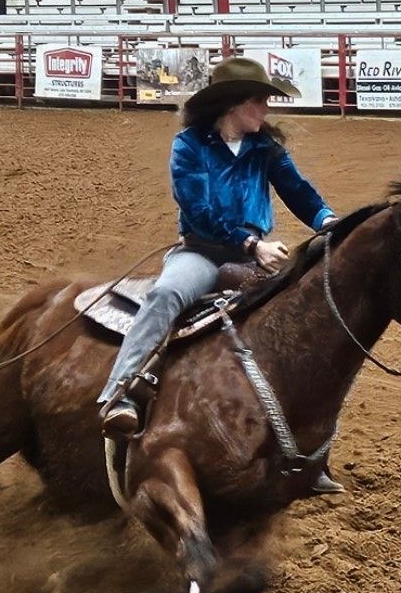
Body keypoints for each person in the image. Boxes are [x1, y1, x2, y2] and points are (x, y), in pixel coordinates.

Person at [98, 57, 344, 491]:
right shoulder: (190, 146)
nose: (267, 109)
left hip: (253, 256)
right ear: (234, 105)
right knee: (168, 295)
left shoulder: (265, 148)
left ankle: (307, 449)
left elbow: (298, 190)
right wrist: (252, 245)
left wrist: (326, 220)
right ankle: (119, 393)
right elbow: (199, 210)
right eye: (260, 101)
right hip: (205, 253)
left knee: (299, 323)